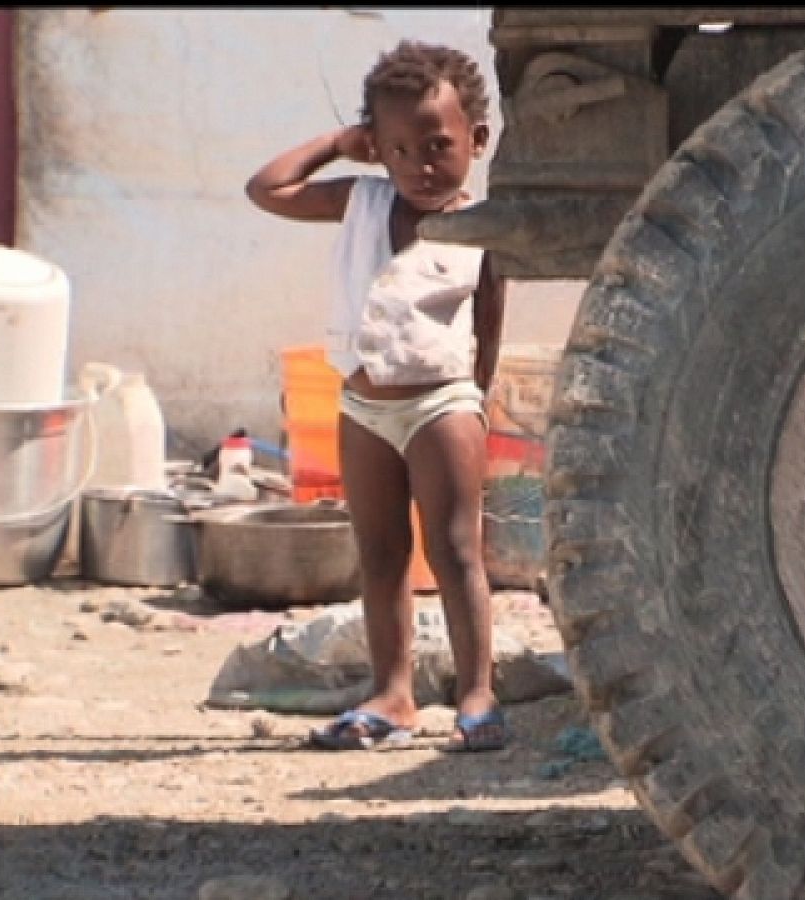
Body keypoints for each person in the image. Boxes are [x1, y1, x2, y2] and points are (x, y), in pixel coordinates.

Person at [245, 39, 507, 753]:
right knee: (381, 554)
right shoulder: (360, 201)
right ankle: (394, 695)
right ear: (374, 150)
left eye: (436, 145)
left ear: (476, 140)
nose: (417, 165)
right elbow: (265, 188)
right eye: (394, 148)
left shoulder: (481, 228)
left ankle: (477, 694)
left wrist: (471, 405)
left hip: (441, 406)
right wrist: (337, 144)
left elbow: (487, 325)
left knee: (455, 551)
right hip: (362, 409)